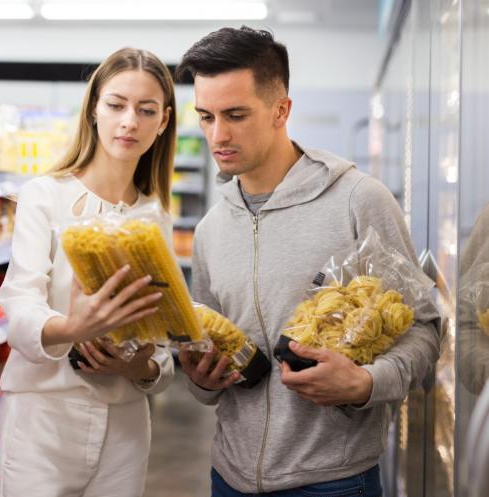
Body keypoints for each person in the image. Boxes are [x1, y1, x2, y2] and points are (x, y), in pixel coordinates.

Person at [175, 26, 440, 496]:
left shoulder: (359, 200)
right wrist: (200, 378)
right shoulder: (211, 229)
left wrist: (364, 383)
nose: (219, 134)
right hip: (228, 476)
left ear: (281, 110)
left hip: (333, 481)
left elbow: (424, 328)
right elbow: (204, 368)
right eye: (206, 117)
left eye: (236, 114)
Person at [0, 47, 177, 497]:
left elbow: (163, 341)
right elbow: (19, 306)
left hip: (126, 423)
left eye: (146, 110)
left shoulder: (157, 216)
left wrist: (141, 365)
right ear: (93, 109)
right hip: (43, 417)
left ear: (163, 121)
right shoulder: (43, 195)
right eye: (116, 105)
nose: (129, 121)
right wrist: (72, 327)